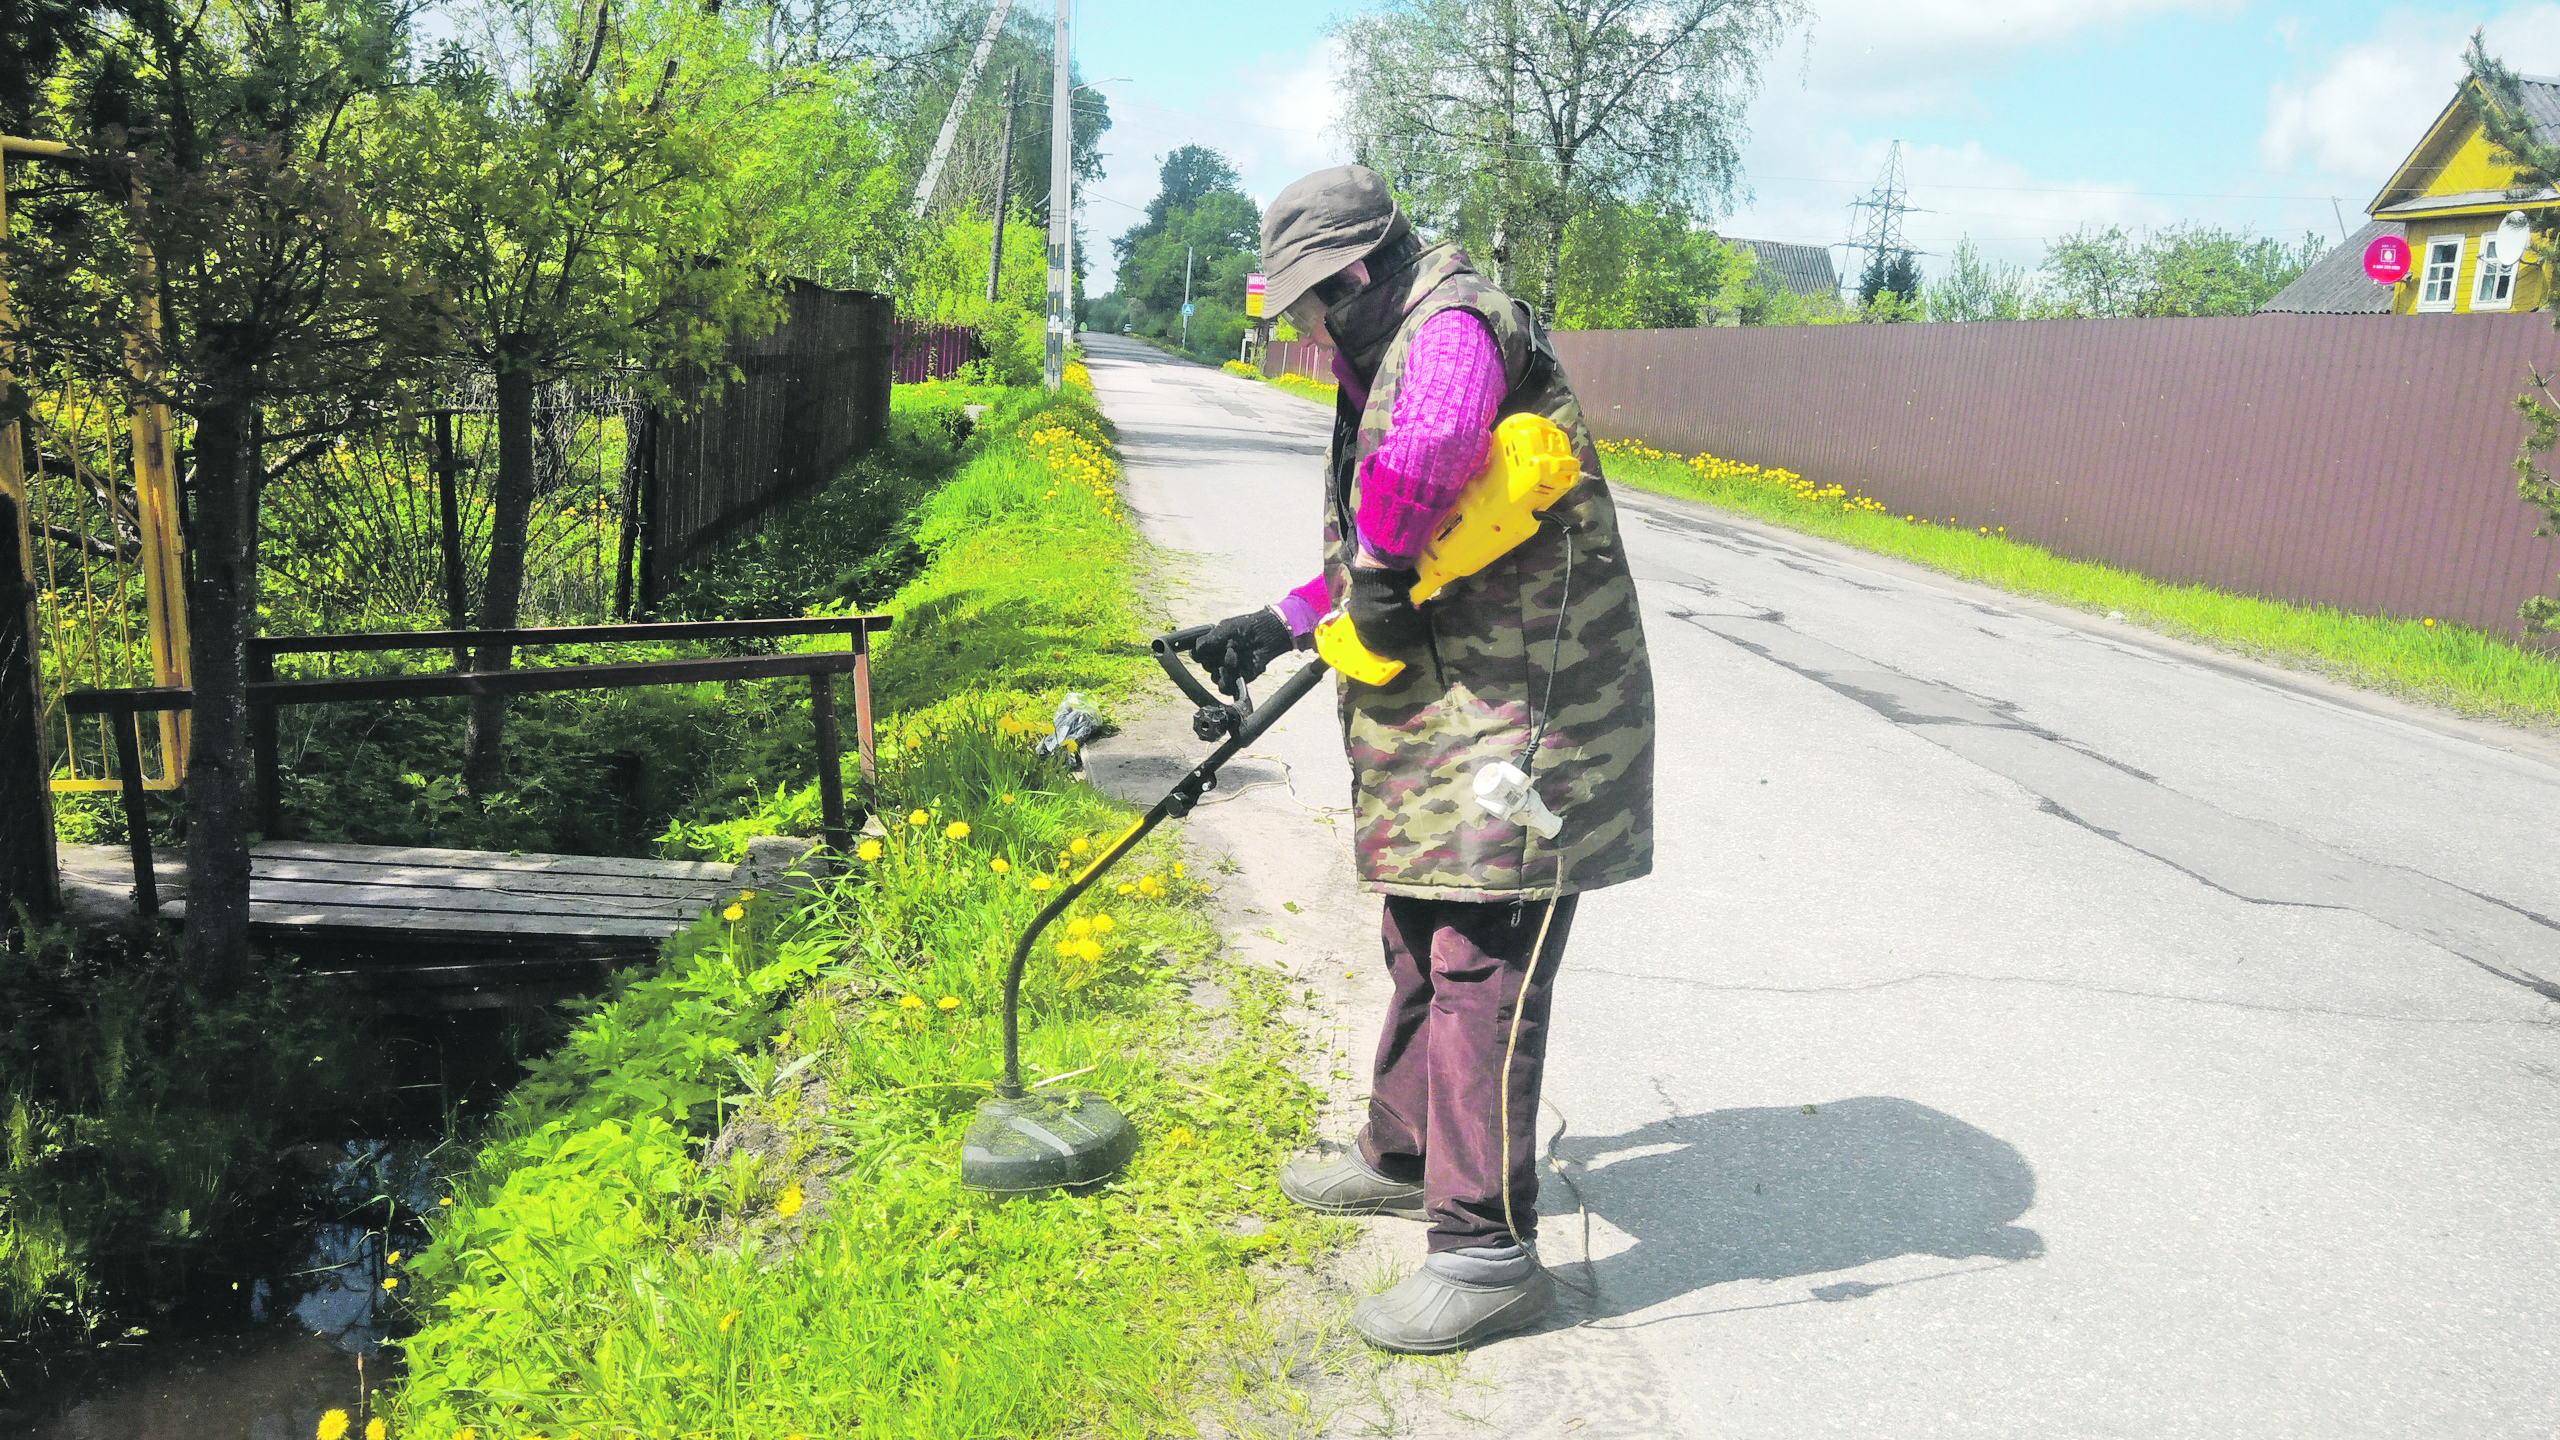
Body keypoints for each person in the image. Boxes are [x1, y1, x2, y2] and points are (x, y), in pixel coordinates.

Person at [1188, 166, 1656, 1353]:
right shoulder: (1382, 332)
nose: (1302, 325)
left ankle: (1487, 1250)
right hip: (1454, 707)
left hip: (1533, 713)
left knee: (1480, 955)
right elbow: (1406, 541)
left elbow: (1430, 458)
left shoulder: (1446, 323)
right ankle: (1402, 1155)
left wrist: (1380, 579)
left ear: (1352, 271)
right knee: (1417, 929)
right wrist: (1282, 619)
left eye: (1308, 303)